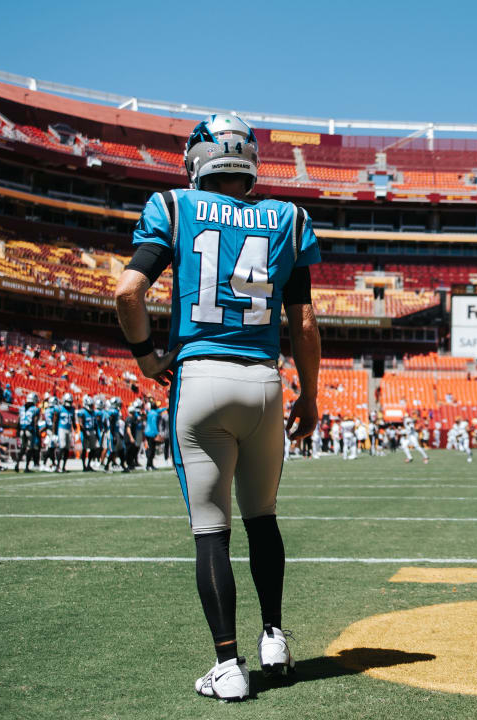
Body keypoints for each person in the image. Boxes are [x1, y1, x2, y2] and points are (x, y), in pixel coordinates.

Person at [114, 113, 321, 702]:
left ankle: (228, 667)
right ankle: (275, 637)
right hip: (264, 380)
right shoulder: (289, 217)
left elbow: (129, 292)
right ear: (249, 162)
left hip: (201, 376)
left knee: (211, 530)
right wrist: (312, 394)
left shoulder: (173, 205)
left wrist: (148, 358)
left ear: (197, 159)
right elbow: (302, 320)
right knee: (264, 517)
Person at [15, 393, 41, 473]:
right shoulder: (36, 409)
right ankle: (26, 467)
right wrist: (37, 432)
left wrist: (18, 431)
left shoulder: (21, 408)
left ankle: (17, 464)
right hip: (30, 430)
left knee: (22, 448)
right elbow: (36, 422)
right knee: (30, 449)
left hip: (22, 430)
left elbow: (18, 420)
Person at [77, 396, 101, 472]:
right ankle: (84, 466)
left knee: (93, 449)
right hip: (85, 431)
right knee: (84, 449)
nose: (91, 407)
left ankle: (89, 464)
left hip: (92, 431)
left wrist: (97, 433)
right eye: (90, 405)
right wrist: (84, 431)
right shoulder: (82, 412)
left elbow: (96, 424)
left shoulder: (93, 413)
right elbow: (80, 423)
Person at [144, 398, 164, 471]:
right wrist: (157, 433)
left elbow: (159, 410)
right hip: (151, 433)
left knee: (151, 449)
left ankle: (150, 464)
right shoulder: (155, 414)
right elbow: (154, 424)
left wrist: (165, 408)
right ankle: (149, 465)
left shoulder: (150, 412)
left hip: (147, 432)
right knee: (151, 450)